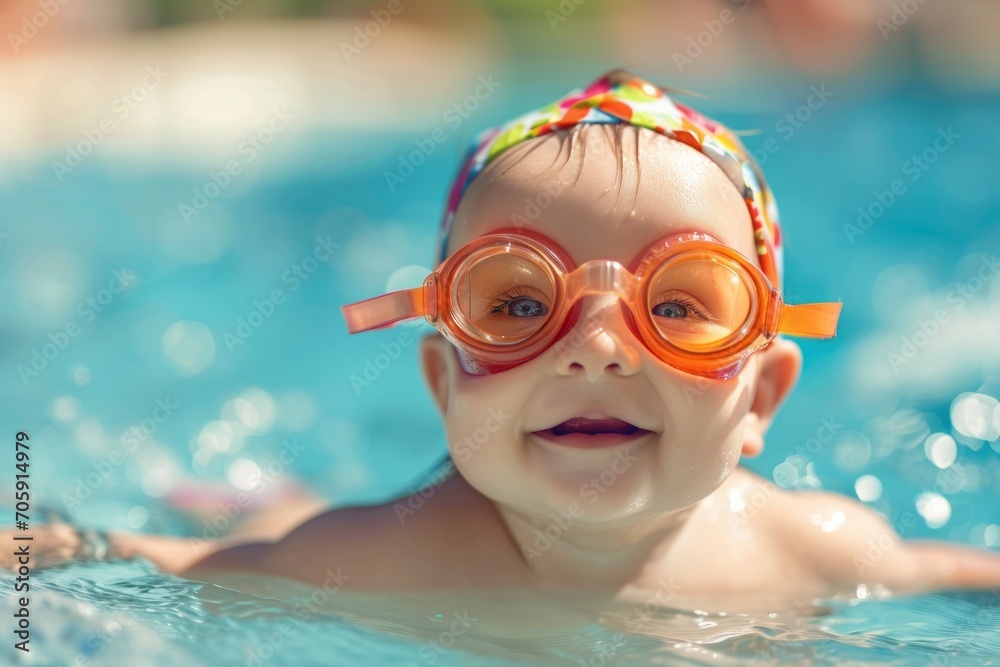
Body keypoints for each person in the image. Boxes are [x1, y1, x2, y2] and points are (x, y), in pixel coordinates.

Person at [5, 70, 1000, 610]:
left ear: (762, 400)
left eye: (681, 306)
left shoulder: (812, 552)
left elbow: (958, 576)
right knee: (289, 528)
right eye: (518, 304)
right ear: (443, 383)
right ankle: (269, 499)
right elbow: (165, 568)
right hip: (363, 518)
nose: (599, 348)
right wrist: (59, 544)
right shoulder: (384, 563)